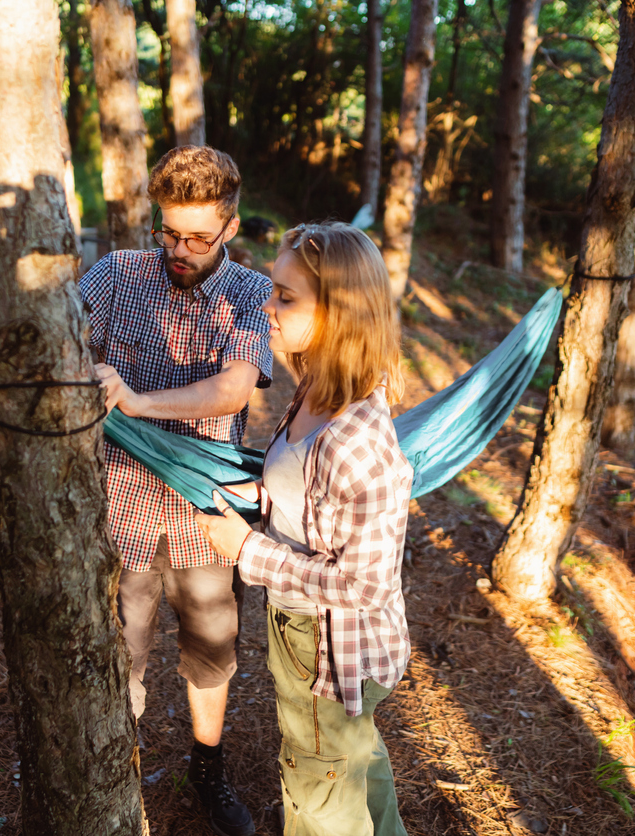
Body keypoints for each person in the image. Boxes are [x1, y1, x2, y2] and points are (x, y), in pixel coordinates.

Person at [195, 222, 412, 836]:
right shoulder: (315, 387)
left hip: (332, 651)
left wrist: (249, 552)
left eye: (286, 297)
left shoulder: (361, 444)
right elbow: (308, 494)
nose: (267, 305)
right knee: (356, 766)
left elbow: (363, 586)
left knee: (318, 798)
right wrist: (260, 496)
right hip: (306, 632)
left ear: (338, 312)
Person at [80, 146, 271, 836]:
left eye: (196, 237)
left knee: (210, 651)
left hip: (208, 515)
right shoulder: (114, 275)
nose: (178, 249)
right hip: (118, 510)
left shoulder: (251, 295)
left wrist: (132, 401)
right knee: (117, 654)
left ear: (230, 227)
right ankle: (114, 778)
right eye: (168, 231)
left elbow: (234, 387)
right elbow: (57, 344)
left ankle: (207, 774)